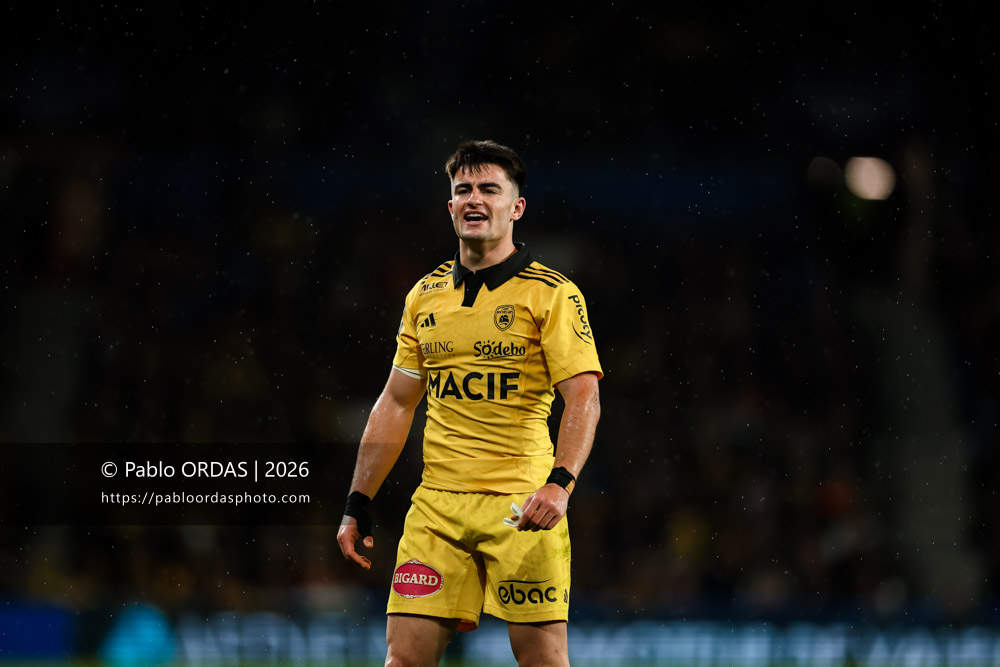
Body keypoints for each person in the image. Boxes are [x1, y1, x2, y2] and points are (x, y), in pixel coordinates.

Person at [337, 140, 602, 667]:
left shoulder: (552, 295)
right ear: (451, 206)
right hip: (437, 508)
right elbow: (395, 401)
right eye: (463, 190)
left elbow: (585, 396)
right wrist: (357, 501)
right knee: (402, 661)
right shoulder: (424, 296)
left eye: (489, 189)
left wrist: (560, 482)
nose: (474, 199)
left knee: (544, 662)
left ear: (516, 207)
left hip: (522, 506)